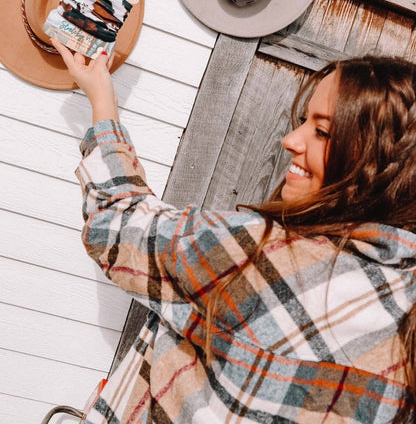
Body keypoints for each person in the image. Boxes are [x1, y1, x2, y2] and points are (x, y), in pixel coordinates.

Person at [52, 37, 416, 424]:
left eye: (322, 133)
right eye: (303, 123)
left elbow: (117, 224)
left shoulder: (263, 256)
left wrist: (102, 103)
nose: (290, 140)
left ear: (376, 160)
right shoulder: (404, 304)